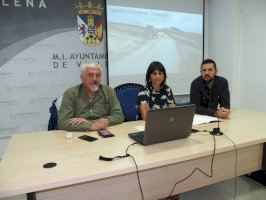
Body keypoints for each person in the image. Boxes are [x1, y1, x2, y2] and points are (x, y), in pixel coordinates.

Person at [57, 61, 124, 131]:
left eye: (98, 75)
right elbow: (63, 122)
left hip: (104, 131)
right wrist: (90, 126)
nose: (95, 79)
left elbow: (119, 116)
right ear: (82, 78)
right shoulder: (71, 93)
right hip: (79, 135)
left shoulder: (108, 91)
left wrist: (92, 123)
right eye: (90, 75)